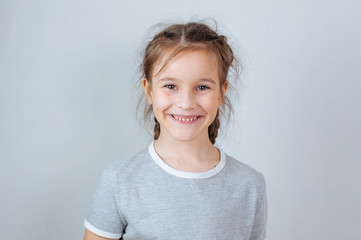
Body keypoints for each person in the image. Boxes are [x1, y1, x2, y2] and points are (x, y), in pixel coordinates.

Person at [83, 20, 267, 240]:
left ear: (221, 92)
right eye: (171, 86)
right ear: (149, 91)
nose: (186, 103)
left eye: (202, 87)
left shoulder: (249, 184)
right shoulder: (120, 179)